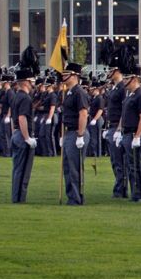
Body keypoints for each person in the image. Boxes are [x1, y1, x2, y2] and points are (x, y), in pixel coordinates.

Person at [59, 70, 91, 205]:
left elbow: (83, 114)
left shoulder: (79, 92)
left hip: (77, 132)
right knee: (67, 166)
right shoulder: (69, 92)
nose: (63, 77)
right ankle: (71, 195)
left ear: (74, 76)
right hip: (69, 132)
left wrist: (80, 135)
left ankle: (76, 198)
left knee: (74, 167)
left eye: (66, 74)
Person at [120, 71, 141, 202]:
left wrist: (137, 136)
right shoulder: (130, 95)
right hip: (127, 133)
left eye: (126, 78)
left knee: (135, 165)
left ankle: (139, 194)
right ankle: (136, 193)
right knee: (131, 164)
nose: (124, 81)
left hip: (134, 133)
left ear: (133, 79)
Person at [7, 76, 37, 203]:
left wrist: (15, 133)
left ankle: (16, 197)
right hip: (23, 135)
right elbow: (22, 118)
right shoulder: (25, 98)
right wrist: (27, 138)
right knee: (23, 170)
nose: (32, 85)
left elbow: (13, 119)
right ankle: (19, 198)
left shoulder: (15, 96)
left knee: (17, 169)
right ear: (25, 82)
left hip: (16, 133)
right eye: (31, 82)